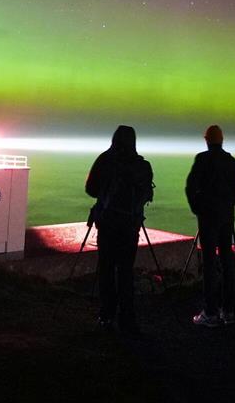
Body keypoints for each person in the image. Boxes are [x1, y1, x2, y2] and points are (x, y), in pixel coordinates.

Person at [85, 125, 154, 333]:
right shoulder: (143, 166)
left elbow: (90, 189)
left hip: (107, 224)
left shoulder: (105, 160)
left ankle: (106, 316)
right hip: (130, 226)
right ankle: (128, 319)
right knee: (125, 271)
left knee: (106, 269)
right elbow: (147, 195)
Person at [185, 124, 235, 327]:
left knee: (209, 263)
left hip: (208, 218)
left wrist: (198, 208)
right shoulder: (232, 162)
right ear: (222, 140)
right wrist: (227, 202)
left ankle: (210, 312)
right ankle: (228, 311)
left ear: (207, 140)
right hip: (227, 218)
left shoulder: (202, 159)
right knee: (227, 262)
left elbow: (190, 187)